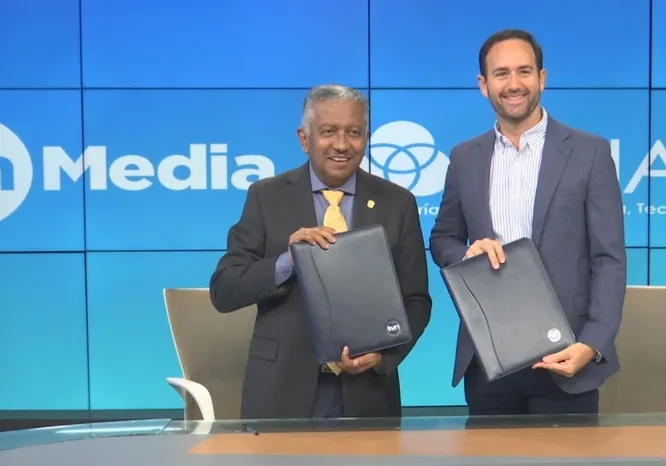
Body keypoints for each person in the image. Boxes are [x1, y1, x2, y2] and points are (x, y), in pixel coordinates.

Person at [429, 29, 627, 416]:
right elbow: (443, 239)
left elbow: (609, 259)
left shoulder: (589, 152)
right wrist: (466, 251)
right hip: (490, 359)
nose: (514, 84)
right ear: (483, 85)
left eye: (524, 71)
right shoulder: (465, 157)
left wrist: (592, 342)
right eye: (501, 74)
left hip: (568, 357)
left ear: (542, 78)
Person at [210, 84, 432, 420]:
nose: (342, 145)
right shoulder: (267, 197)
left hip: (368, 395)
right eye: (328, 132)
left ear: (366, 137)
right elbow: (224, 290)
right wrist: (289, 261)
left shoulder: (397, 203)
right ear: (304, 138)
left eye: (353, 132)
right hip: (280, 392)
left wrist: (384, 357)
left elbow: (416, 300)